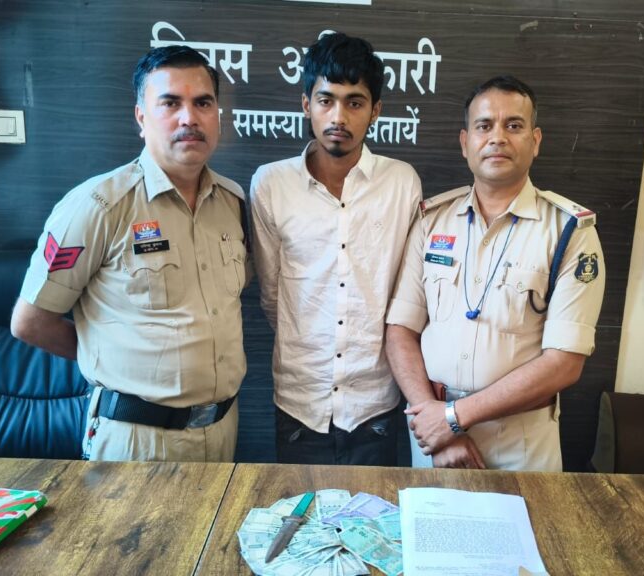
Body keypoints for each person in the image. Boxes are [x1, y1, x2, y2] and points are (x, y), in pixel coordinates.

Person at [10, 46, 248, 462]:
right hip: (136, 440)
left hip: (223, 431)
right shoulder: (98, 206)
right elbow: (30, 323)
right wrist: (105, 356)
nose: (189, 118)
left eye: (203, 103)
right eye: (170, 103)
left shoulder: (233, 202)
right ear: (141, 117)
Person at [385, 75, 605, 471]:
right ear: (465, 142)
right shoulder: (431, 221)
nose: (497, 137)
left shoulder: (569, 232)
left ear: (535, 141)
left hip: (520, 446)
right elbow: (400, 330)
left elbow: (564, 362)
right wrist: (436, 423)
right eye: (484, 126)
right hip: (432, 439)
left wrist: (454, 418)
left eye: (513, 125)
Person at [249, 32, 422, 465]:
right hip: (299, 401)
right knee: (301, 509)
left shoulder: (402, 183)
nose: (338, 116)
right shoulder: (271, 184)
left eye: (354, 102)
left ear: (375, 111)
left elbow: (406, 295)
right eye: (325, 100)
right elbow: (272, 294)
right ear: (306, 104)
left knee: (375, 511)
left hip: (375, 402)